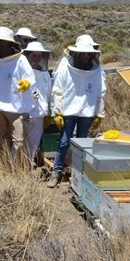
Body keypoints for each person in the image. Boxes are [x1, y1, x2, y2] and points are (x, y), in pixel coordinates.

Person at [48, 38, 107, 188]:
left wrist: (99, 113)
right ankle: (56, 173)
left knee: (82, 144)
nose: (86, 56)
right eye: (83, 53)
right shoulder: (65, 67)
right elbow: (58, 90)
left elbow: (101, 92)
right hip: (68, 110)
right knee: (64, 143)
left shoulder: (97, 71)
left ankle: (78, 176)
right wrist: (58, 112)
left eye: (88, 54)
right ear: (76, 53)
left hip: (87, 112)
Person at [0, 27, 36, 170]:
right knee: (0, 142)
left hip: (17, 107)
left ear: (9, 43)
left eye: (2, 41)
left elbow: (30, 78)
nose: (0, 44)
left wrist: (27, 83)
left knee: (19, 142)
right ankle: (5, 171)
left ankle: (19, 171)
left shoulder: (21, 60)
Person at [23, 41, 53, 167]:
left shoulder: (45, 73)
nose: (37, 58)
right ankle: (22, 166)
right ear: (27, 56)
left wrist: (49, 113)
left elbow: (48, 94)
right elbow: (33, 93)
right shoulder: (23, 71)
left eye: (39, 55)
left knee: (34, 143)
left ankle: (28, 164)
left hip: (40, 114)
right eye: (33, 55)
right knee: (21, 143)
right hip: (26, 113)